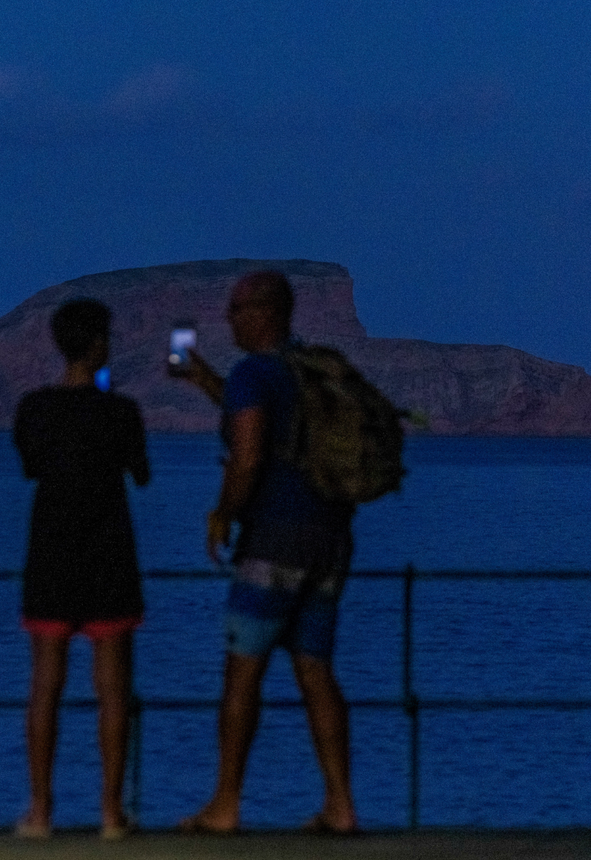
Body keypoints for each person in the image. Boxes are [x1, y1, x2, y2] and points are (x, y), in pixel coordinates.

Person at [178, 270, 358, 835]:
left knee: (243, 677)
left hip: (273, 542)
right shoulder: (305, 370)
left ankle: (225, 806)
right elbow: (263, 424)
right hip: (327, 541)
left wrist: (222, 513)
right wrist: (204, 378)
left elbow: (250, 451)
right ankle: (341, 806)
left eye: (236, 309)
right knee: (317, 674)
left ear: (265, 311)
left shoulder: (254, 372)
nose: (229, 318)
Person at [12, 298, 150, 840]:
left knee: (45, 685)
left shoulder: (33, 409)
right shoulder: (121, 412)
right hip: (109, 557)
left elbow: (30, 466)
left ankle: (41, 811)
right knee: (113, 690)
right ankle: (112, 814)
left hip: (49, 555)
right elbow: (140, 474)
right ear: (98, 344)